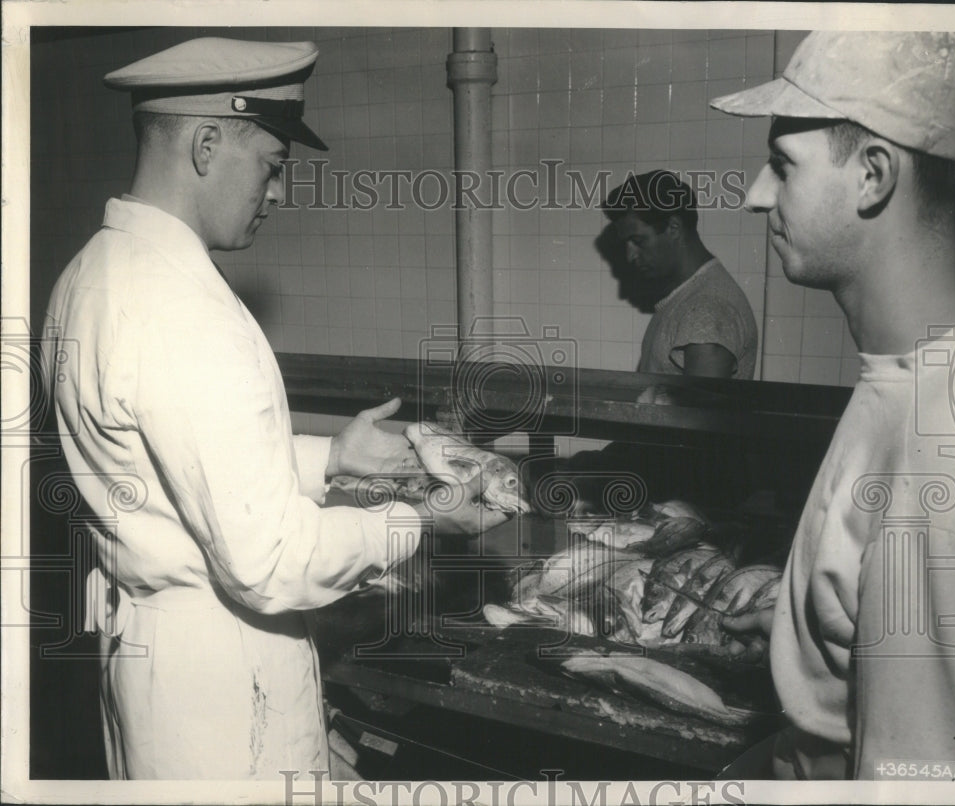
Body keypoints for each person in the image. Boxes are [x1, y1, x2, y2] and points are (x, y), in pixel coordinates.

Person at [41, 37, 505, 781]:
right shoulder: (187, 308)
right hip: (227, 687)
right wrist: (419, 519)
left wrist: (334, 457)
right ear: (205, 143)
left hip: (154, 662)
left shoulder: (90, 274)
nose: (280, 192)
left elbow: (175, 462)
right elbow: (272, 563)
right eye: (273, 165)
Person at [710, 31, 955, 779]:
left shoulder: (944, 441)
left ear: (872, 176)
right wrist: (812, 634)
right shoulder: (910, 380)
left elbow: (920, 784)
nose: (757, 194)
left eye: (783, 165)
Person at [601, 170, 758, 382]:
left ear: (674, 227)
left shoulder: (707, 308)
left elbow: (702, 414)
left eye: (638, 241)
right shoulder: (688, 296)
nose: (630, 256)